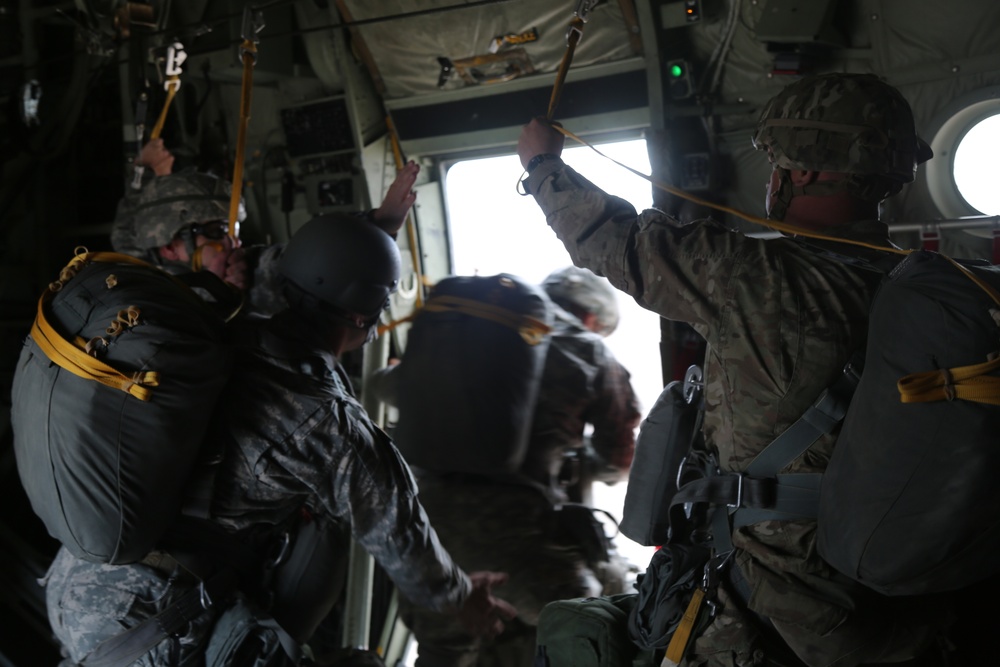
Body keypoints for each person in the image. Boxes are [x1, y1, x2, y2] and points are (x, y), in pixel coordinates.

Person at [517, 73, 955, 666]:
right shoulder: (942, 294)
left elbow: (610, 239)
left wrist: (544, 166)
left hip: (775, 616)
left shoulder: (752, 275)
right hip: (905, 609)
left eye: (775, 162)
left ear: (801, 171)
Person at [43, 213, 517, 666]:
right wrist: (461, 599)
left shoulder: (221, 334)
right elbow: (404, 540)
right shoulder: (332, 428)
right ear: (363, 315)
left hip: (77, 576)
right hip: (149, 623)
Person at [377, 266, 641, 667]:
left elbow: (389, 387)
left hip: (422, 534)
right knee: (602, 622)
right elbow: (619, 462)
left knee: (443, 653)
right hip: (514, 538)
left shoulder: (470, 333)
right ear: (592, 319)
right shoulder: (589, 349)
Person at [110, 145, 421, 318]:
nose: (234, 241)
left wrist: (148, 172)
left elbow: (301, 263)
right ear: (169, 248)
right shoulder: (142, 294)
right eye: (217, 230)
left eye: (233, 228)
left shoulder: (137, 259)